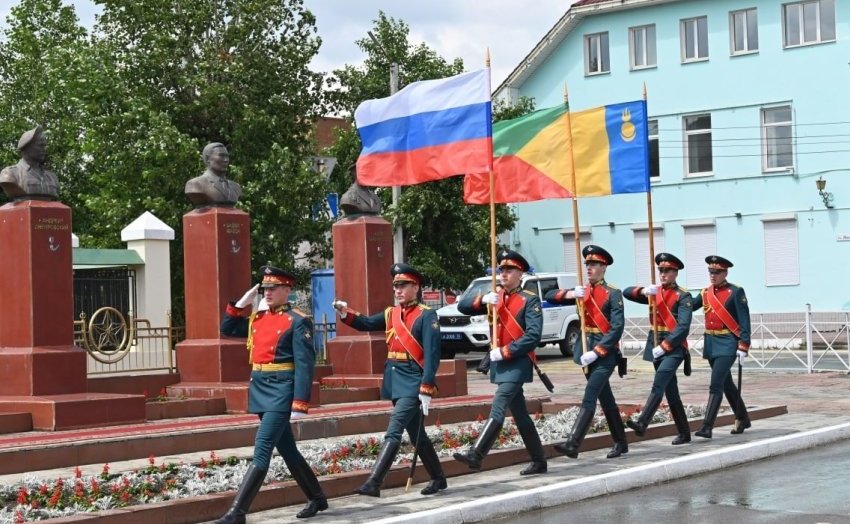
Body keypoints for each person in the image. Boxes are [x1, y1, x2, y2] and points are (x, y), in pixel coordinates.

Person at [216, 266, 326, 522]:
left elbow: (305, 363)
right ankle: (317, 497)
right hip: (260, 387)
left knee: (262, 447)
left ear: (287, 290)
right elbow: (227, 329)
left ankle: (237, 512)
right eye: (265, 288)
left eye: (273, 288)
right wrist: (239, 305)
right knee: (287, 450)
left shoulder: (298, 321)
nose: (267, 292)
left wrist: (300, 402)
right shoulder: (258, 318)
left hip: (281, 390)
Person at [332, 263, 447, 497]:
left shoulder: (426, 315)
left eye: (403, 285)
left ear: (416, 287)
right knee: (417, 434)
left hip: (414, 380)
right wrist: (345, 312)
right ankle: (438, 478)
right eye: (395, 286)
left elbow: (432, 354)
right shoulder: (390, 313)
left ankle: (374, 482)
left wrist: (426, 386)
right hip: (395, 379)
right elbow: (365, 323)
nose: (398, 290)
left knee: (394, 429)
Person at [452, 250, 547, 476]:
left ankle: (477, 453)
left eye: (509, 270)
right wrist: (482, 298)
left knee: (499, 403)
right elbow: (462, 307)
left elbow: (533, 336)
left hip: (517, 362)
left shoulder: (529, 299)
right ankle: (539, 460)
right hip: (500, 363)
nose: (503, 274)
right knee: (521, 415)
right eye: (501, 270)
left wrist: (504, 352)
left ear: (520, 273)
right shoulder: (495, 296)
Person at [544, 245, 627, 459]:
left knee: (590, 395)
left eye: (594, 265)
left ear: (604, 267)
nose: (589, 268)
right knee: (606, 399)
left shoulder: (613, 294)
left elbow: (617, 328)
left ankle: (573, 443)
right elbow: (549, 295)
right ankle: (621, 442)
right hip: (585, 353)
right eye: (587, 264)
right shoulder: (582, 292)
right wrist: (571, 293)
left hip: (605, 354)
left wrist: (597, 351)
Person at [623, 252, 693, 445]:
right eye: (660, 270)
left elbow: (683, 327)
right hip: (655, 344)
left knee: (659, 382)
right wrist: (643, 291)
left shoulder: (683, 296)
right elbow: (626, 292)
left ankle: (643, 422)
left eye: (667, 270)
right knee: (671, 392)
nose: (663, 274)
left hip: (674, 347)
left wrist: (665, 347)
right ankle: (684, 433)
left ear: (675, 273)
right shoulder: (655, 293)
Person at [691, 255, 752, 438]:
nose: (713, 275)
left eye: (717, 272)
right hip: (711, 343)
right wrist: (664, 294)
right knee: (727, 384)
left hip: (727, 343)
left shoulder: (735, 292)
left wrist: (744, 344)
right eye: (711, 272)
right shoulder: (705, 293)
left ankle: (707, 426)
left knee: (716, 384)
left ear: (725, 272)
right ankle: (742, 417)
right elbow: (689, 306)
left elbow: (744, 320)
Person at [0, 125, 59, 200]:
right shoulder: (10, 173)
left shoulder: (52, 177)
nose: (44, 149)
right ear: (27, 147)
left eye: (44, 145)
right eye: (40, 145)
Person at [184, 142, 242, 207]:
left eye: (227, 156)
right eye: (221, 156)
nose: (226, 160)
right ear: (208, 159)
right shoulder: (195, 184)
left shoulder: (235, 187)